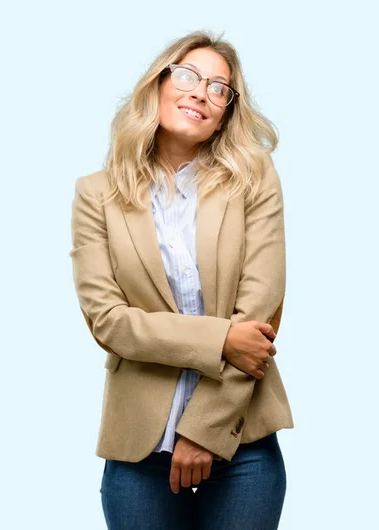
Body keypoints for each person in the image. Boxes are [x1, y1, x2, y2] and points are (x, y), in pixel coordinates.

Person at [69, 31, 294, 530]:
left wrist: (203, 431)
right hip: (138, 449)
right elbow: (109, 322)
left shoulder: (254, 178)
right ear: (159, 84)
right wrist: (221, 338)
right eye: (189, 76)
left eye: (219, 88)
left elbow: (257, 319)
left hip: (243, 442)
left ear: (226, 113)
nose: (201, 92)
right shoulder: (95, 195)